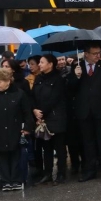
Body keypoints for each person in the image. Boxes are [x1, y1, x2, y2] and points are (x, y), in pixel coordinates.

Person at [69, 45, 101, 181]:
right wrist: (76, 76)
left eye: (98, 53)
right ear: (86, 54)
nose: (97, 55)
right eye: (94, 53)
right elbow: (70, 88)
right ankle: (90, 170)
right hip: (84, 111)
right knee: (87, 142)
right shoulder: (78, 67)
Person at [0, 67, 34, 191]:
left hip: (15, 128)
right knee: (2, 155)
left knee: (16, 154)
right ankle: (5, 180)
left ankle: (16, 179)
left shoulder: (19, 93)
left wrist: (27, 127)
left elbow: (27, 112)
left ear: (7, 81)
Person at [31, 54, 68, 185]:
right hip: (42, 118)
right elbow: (33, 96)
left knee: (59, 147)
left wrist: (42, 113)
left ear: (50, 64)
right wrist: (35, 110)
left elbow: (55, 98)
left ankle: (61, 173)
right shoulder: (38, 78)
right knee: (46, 147)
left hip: (56, 117)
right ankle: (47, 173)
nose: (39, 64)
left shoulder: (58, 79)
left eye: (42, 62)